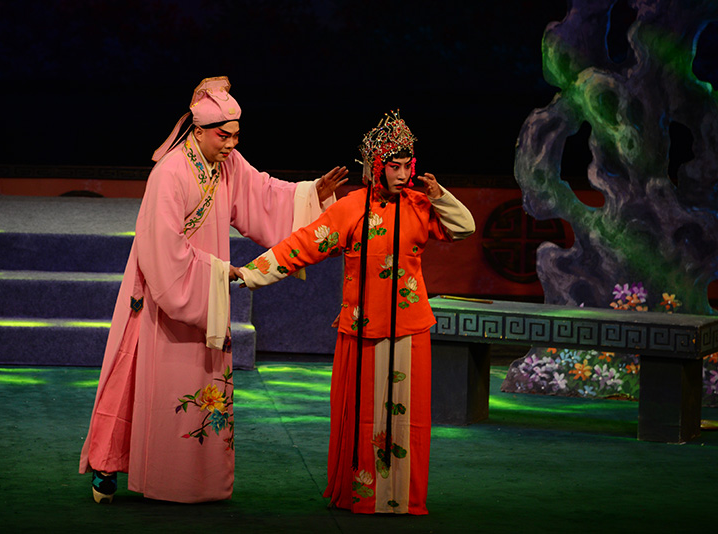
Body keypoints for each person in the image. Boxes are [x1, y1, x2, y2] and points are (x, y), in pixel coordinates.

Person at [79, 76, 348, 504]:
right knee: (138, 375)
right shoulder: (169, 173)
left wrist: (312, 194)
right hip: (165, 291)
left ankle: (193, 481)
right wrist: (218, 272)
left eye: (236, 135)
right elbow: (163, 248)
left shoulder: (228, 164)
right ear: (199, 130)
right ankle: (109, 465)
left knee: (198, 384)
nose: (232, 144)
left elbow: (263, 194)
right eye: (224, 135)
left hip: (205, 292)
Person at [238, 111, 475, 514]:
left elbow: (464, 227)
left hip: (411, 326)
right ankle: (362, 494)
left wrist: (439, 195)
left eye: (408, 166)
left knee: (406, 415)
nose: (403, 174)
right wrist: (250, 274)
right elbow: (303, 244)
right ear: (376, 167)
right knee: (364, 414)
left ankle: (402, 497)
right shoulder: (351, 208)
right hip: (363, 325)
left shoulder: (420, 205)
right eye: (394, 166)